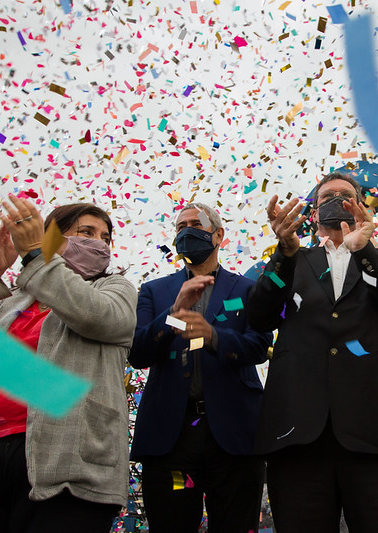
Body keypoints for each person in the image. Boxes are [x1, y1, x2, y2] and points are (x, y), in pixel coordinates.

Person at [0, 196, 137, 533]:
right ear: (55, 238)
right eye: (86, 232)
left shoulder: (113, 289)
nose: (98, 243)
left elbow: (100, 318)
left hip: (67, 463)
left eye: (104, 237)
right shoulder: (11, 301)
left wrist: (35, 258)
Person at [247, 172, 378, 533]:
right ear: (312, 212)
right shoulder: (293, 260)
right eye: (327, 196)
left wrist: (364, 250)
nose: (337, 201)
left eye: (346, 196)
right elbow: (260, 316)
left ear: (360, 207)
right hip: (298, 435)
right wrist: (284, 253)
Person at [129, 202, 272, 533]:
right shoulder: (154, 290)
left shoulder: (247, 289)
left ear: (218, 235)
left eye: (195, 224)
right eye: (180, 227)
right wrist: (173, 313)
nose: (187, 232)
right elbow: (137, 353)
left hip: (235, 437)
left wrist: (213, 337)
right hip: (171, 441)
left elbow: (260, 346)